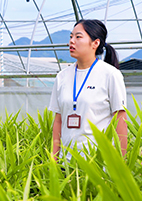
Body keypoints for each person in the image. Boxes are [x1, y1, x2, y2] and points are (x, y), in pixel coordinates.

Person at [50, 19, 127, 159]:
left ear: (95, 43)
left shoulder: (110, 74)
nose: (72, 41)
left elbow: (120, 118)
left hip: (97, 161)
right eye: (71, 37)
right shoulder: (62, 77)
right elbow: (58, 120)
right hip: (66, 162)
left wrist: (121, 162)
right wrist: (54, 158)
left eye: (78, 37)